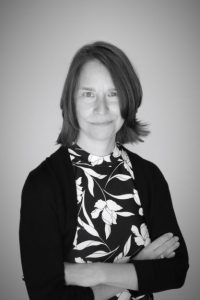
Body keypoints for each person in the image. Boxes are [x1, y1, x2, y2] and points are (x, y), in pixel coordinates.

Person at [19, 41, 189, 300]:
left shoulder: (149, 176)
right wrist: (139, 265)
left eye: (113, 93)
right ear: (70, 101)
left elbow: (175, 271)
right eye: (88, 94)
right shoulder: (43, 184)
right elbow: (45, 292)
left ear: (128, 100)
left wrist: (94, 273)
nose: (101, 108)